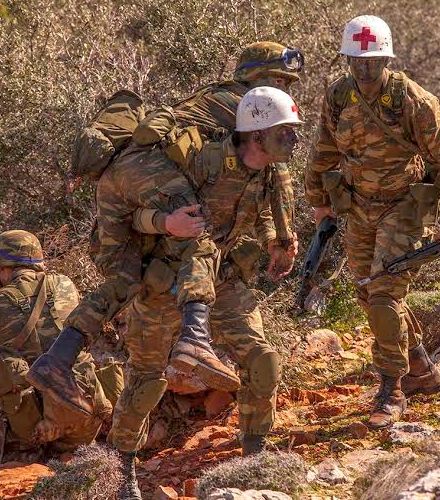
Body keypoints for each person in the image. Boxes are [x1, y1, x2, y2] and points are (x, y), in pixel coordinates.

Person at [27, 42, 303, 413]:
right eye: (277, 79)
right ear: (255, 77)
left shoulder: (216, 100)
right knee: (198, 232)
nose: (283, 89)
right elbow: (277, 171)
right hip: (145, 171)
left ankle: (55, 361)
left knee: (124, 280)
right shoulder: (243, 103)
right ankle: (194, 340)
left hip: (121, 182)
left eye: (287, 82)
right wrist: (285, 237)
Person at [102, 87, 302, 499]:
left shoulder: (267, 172)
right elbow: (130, 213)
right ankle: (122, 469)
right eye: (285, 133)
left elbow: (264, 211)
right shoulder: (202, 161)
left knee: (262, 358)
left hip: (222, 278)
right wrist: (165, 223)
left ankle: (254, 457)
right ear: (256, 135)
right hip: (165, 280)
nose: (294, 141)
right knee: (146, 380)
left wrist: (274, 240)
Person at [305, 15, 440, 428]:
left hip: (404, 205)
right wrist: (319, 202)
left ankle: (391, 390)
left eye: (373, 61)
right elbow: (323, 149)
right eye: (357, 62)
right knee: (369, 293)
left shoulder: (412, 100)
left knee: (382, 294)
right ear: (346, 61)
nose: (365, 69)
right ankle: (421, 369)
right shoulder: (338, 96)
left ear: (387, 60)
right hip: (358, 205)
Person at [0, 230, 114, 456]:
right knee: (67, 454)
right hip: (84, 408)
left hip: (36, 422)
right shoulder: (65, 284)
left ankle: (28, 457)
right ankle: (65, 455)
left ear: (4, 267)